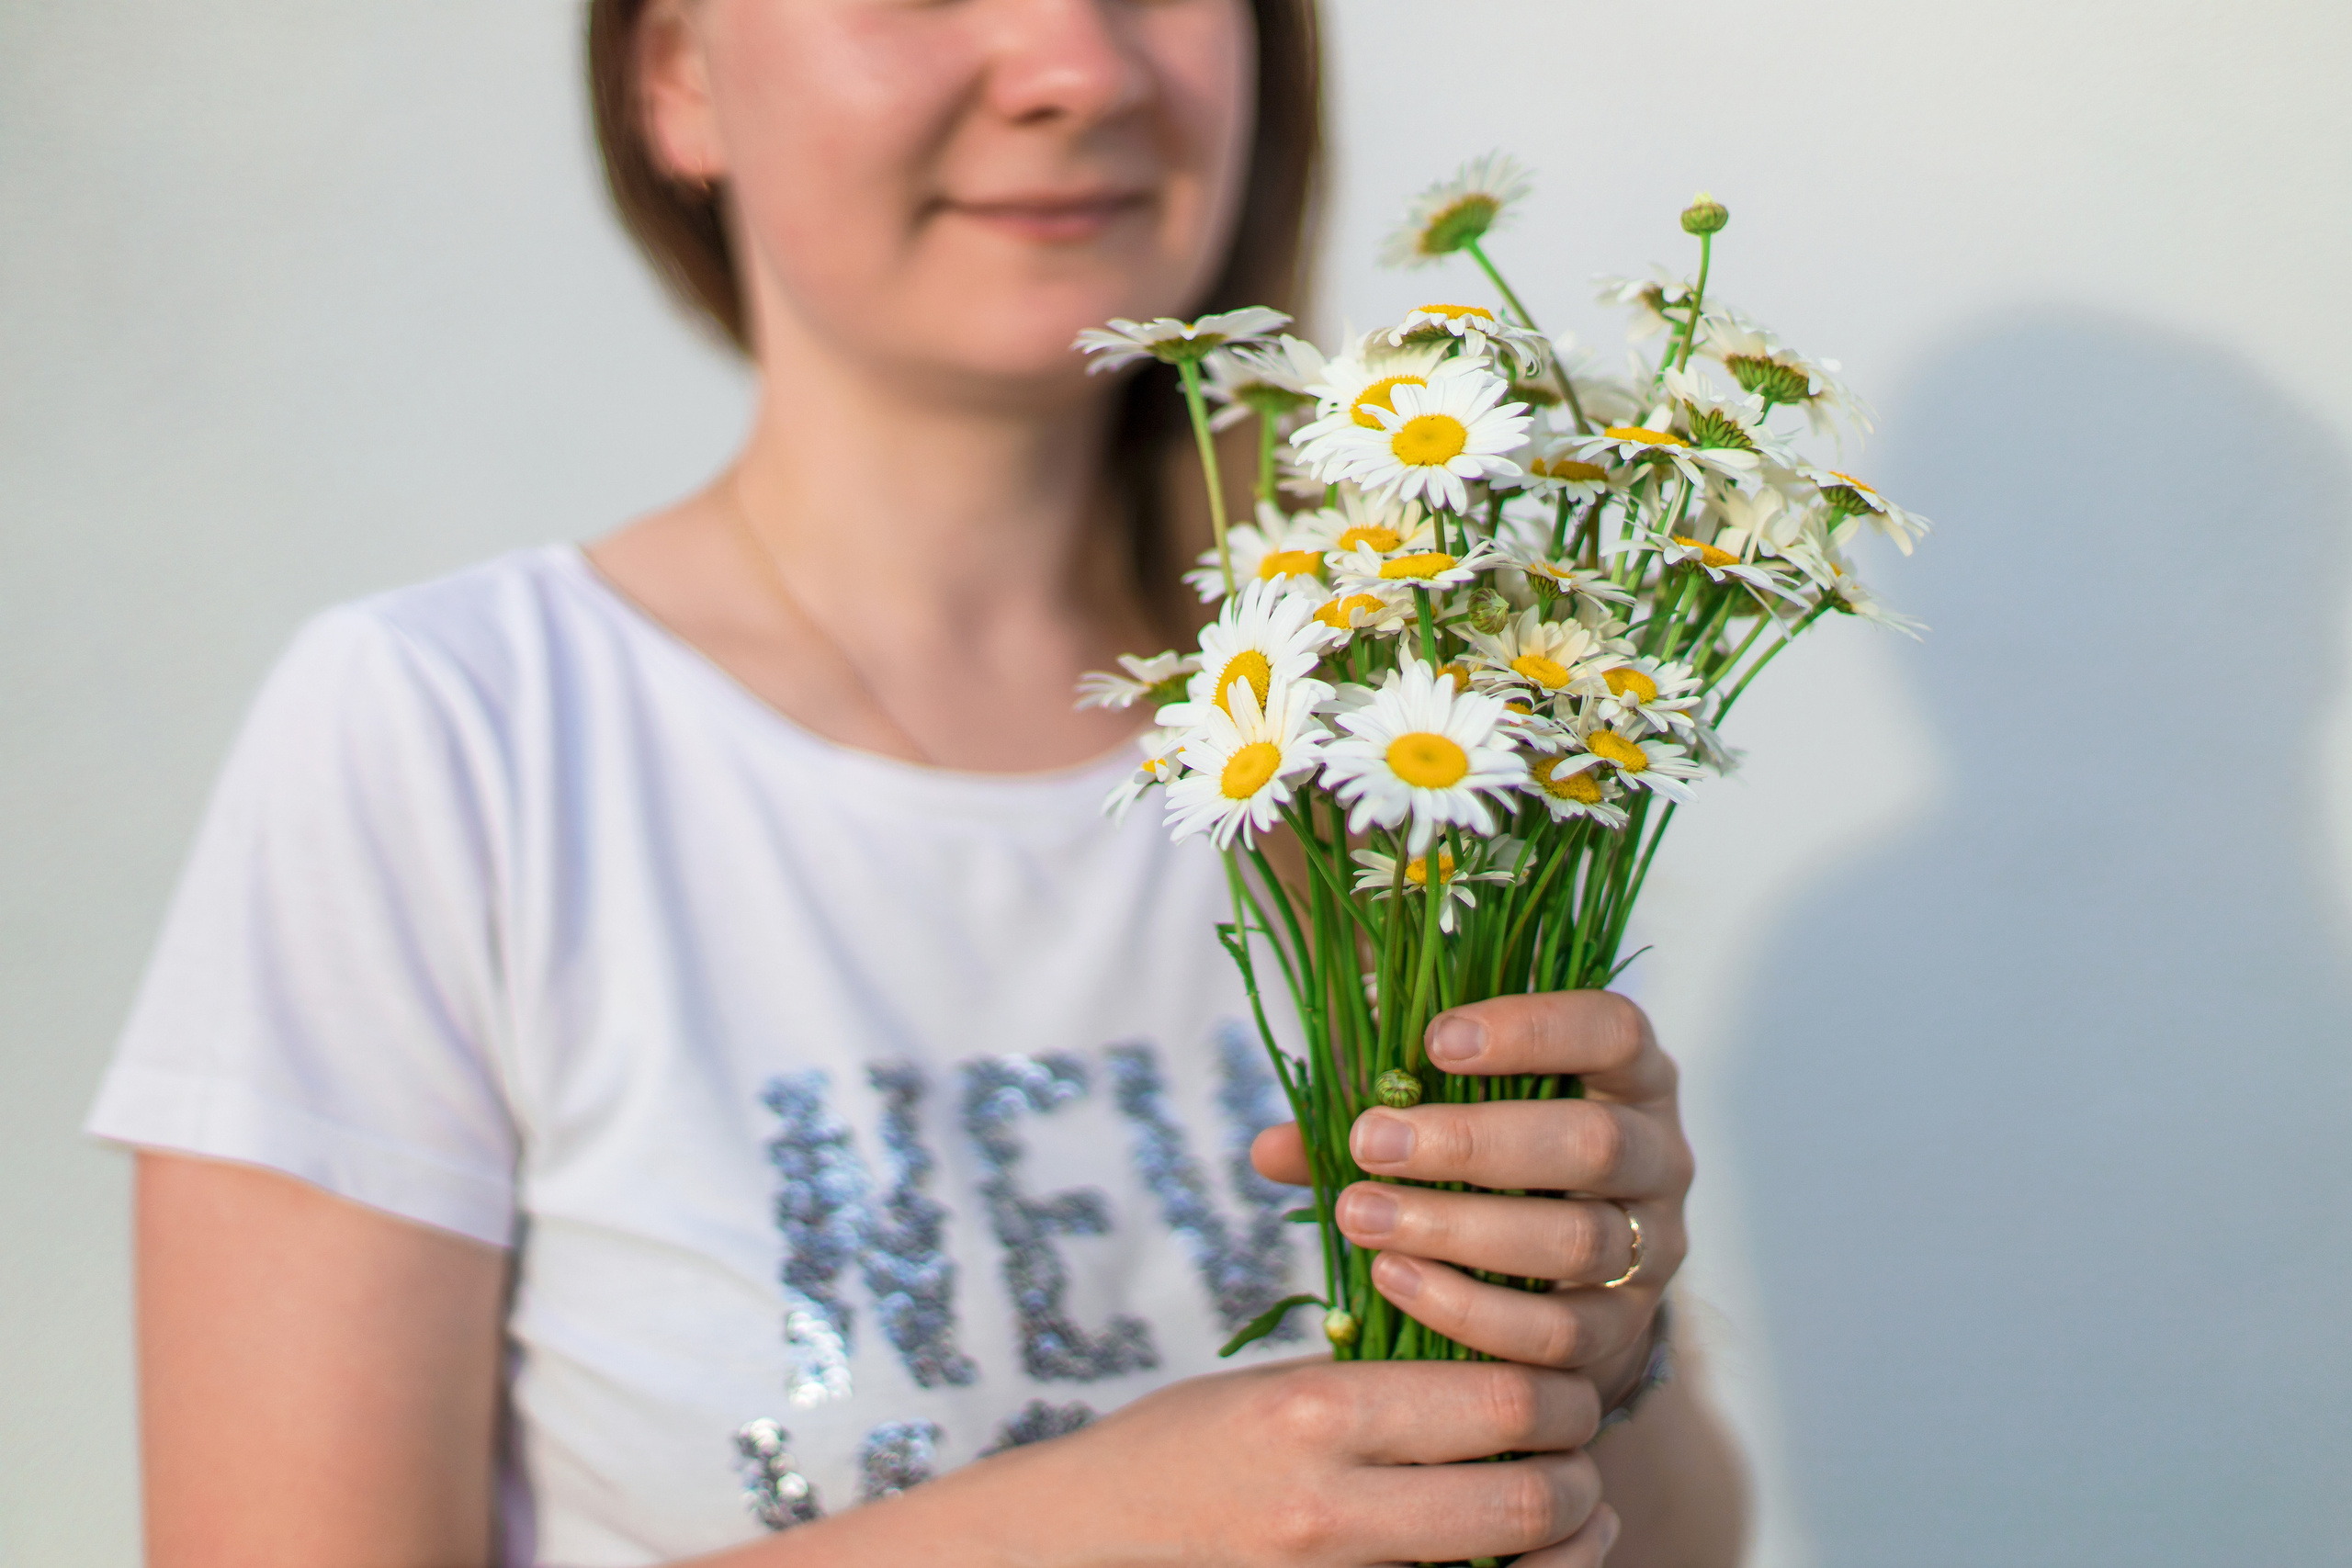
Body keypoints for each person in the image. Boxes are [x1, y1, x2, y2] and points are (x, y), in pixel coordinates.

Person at [92, 1, 1747, 1562]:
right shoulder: (454, 738)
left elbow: (1678, 1544)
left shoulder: (1403, 732)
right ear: (677, 72)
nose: (1072, 64)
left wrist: (1607, 1333)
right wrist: (1096, 1527)